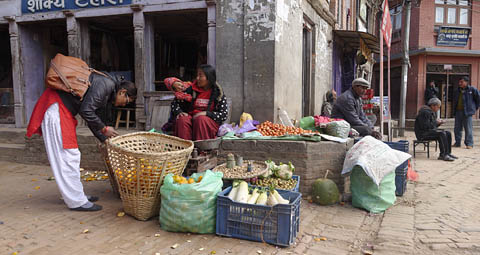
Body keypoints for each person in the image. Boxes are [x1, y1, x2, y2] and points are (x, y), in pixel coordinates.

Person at [26, 72, 137, 211]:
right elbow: (86, 111)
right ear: (122, 92)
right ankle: (76, 201)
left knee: (70, 156)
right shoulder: (106, 85)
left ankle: (77, 195)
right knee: (68, 156)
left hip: (61, 110)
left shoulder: (107, 88)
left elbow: (91, 117)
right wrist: (104, 128)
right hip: (57, 108)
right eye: (126, 101)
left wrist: (104, 139)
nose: (123, 105)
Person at [171, 64, 228, 141]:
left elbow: (223, 115)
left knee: (201, 119)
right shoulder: (191, 89)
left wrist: (206, 113)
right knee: (183, 120)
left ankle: (202, 150)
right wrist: (179, 112)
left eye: (200, 76)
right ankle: (186, 149)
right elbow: (175, 103)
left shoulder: (217, 92)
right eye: (197, 75)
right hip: (191, 120)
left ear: (209, 78)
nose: (197, 78)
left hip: (207, 123)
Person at [452, 76, 480, 149]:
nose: (460, 83)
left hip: (467, 112)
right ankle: (457, 143)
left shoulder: (472, 90)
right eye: (459, 82)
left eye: (462, 82)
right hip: (458, 111)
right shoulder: (457, 90)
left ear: (466, 82)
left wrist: (474, 108)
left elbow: (478, 100)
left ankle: (469, 143)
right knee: (457, 128)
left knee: (468, 128)